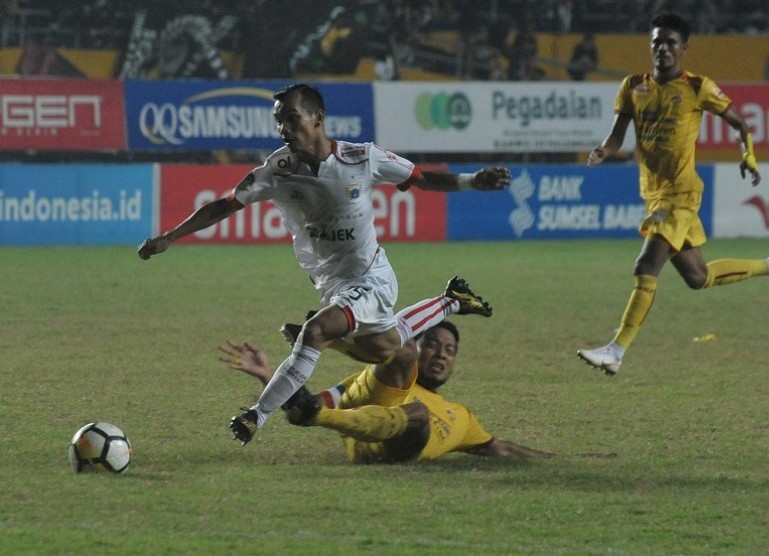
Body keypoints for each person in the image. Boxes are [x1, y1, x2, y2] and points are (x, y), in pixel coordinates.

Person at [137, 83, 511, 443]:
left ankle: (256, 415)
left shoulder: (362, 157)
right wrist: (170, 235)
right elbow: (224, 204)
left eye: (291, 118)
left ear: (317, 118)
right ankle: (451, 300)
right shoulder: (277, 170)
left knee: (315, 331)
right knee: (385, 349)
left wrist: (472, 181)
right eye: (278, 121)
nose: (284, 128)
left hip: (372, 279)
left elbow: (423, 179)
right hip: (331, 285)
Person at [576, 13, 769, 376]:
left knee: (646, 265)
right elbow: (618, 134)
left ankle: (616, 349)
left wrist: (748, 155)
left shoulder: (698, 86)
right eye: (656, 42)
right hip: (654, 195)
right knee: (697, 277)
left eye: (670, 42)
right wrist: (604, 150)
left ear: (684, 48)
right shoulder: (633, 85)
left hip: (680, 194)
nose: (663, 48)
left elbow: (739, 124)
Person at [219, 320, 554, 463]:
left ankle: (323, 404)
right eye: (433, 345)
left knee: (419, 414)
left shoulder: (462, 417)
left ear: (454, 362)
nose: (440, 354)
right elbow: (301, 405)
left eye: (449, 351)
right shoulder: (363, 381)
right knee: (410, 395)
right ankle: (329, 337)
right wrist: (268, 376)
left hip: (403, 446)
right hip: (367, 445)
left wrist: (553, 459)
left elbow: (502, 449)